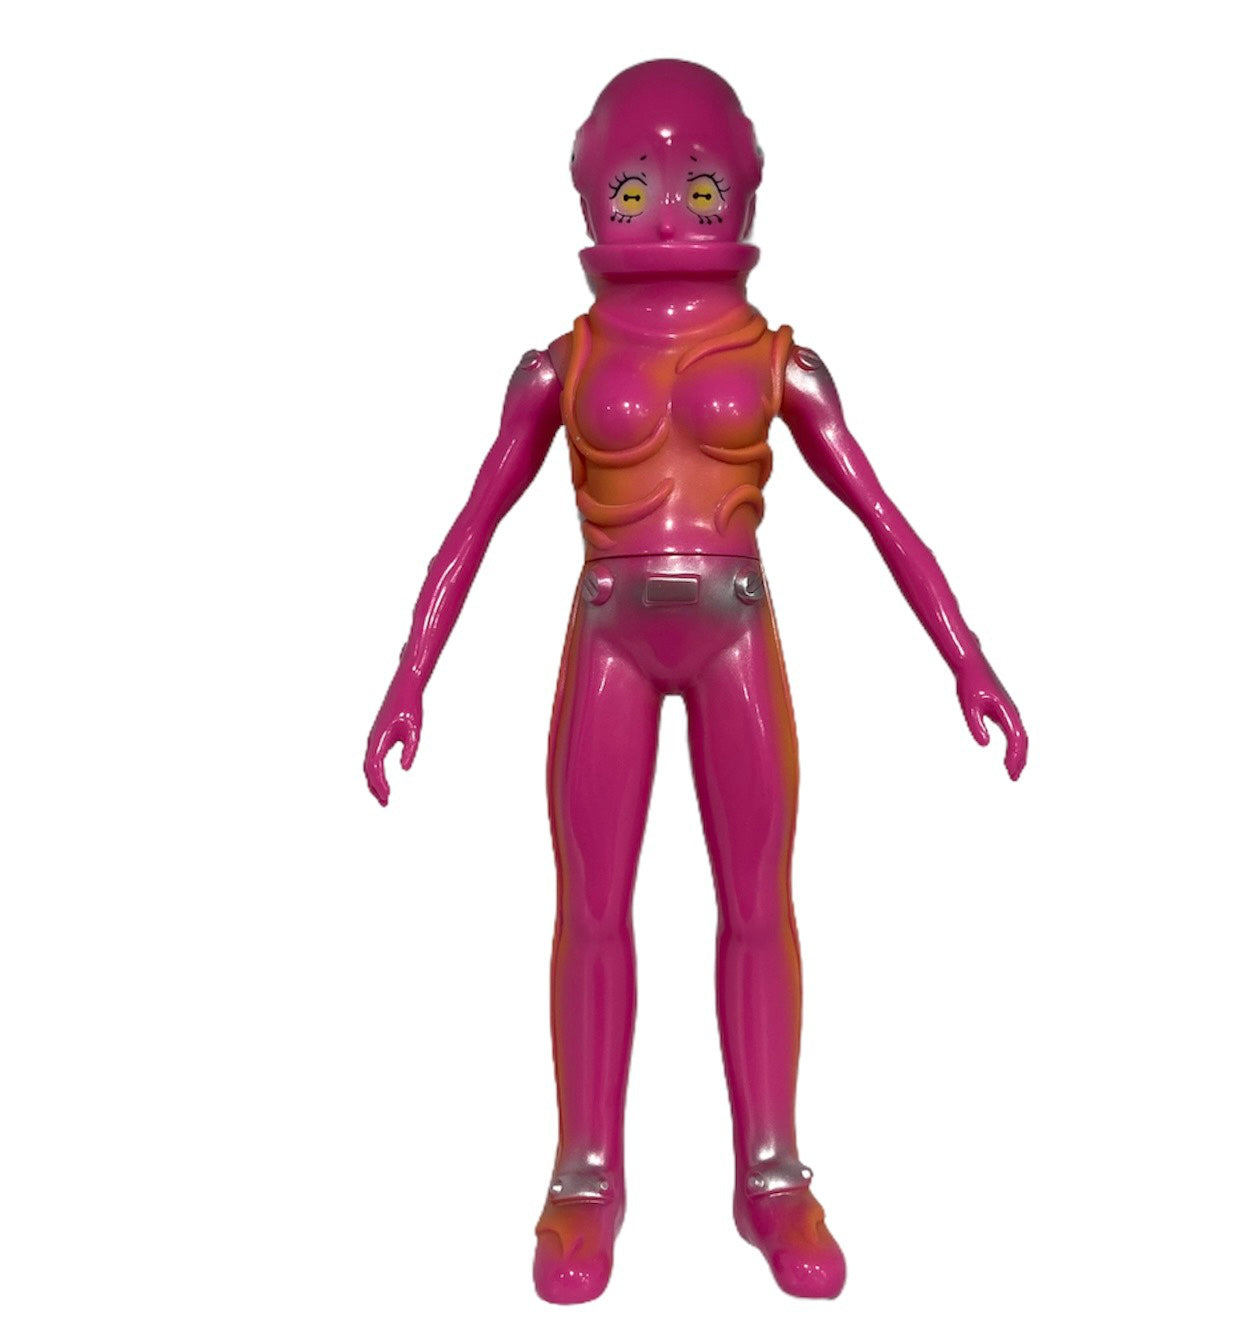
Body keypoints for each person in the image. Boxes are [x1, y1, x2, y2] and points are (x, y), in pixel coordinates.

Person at [365, 58, 1027, 1304]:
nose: (669, 215)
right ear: (587, 197)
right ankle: (584, 1177)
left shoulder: (779, 360)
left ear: (745, 193)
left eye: (698, 186)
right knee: (592, 906)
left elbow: (880, 511)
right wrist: (410, 676)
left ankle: (771, 1174)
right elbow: (472, 524)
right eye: (634, 189)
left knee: (758, 902)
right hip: (610, 631)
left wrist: (966, 654)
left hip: (733, 631)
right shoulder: (560, 364)